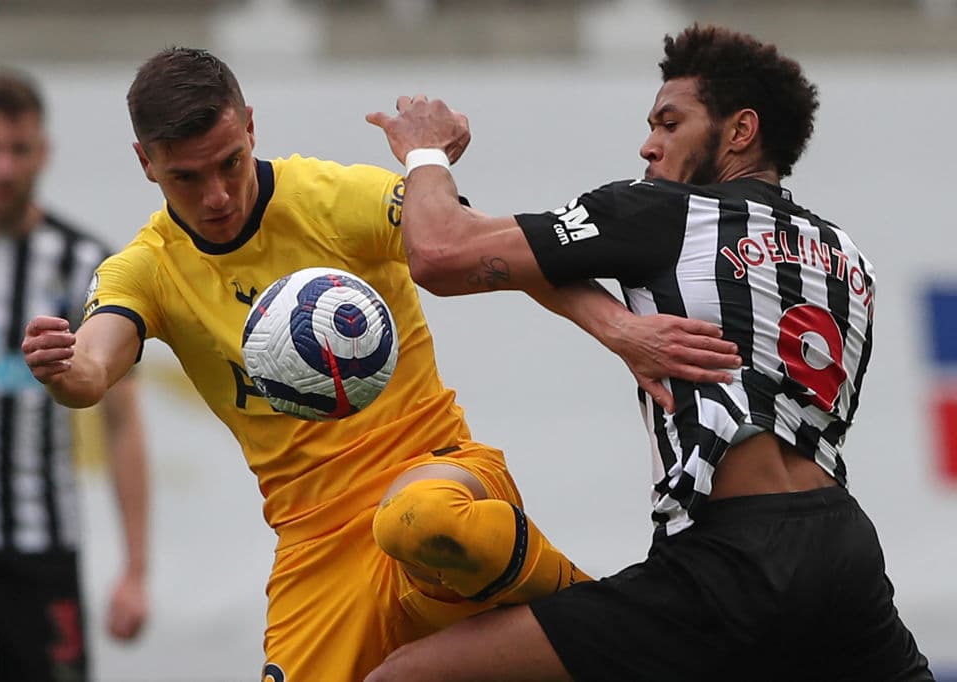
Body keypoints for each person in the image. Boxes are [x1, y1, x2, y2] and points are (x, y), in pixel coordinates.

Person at [20, 47, 741, 681]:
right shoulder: (143, 269)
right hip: (314, 542)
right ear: (145, 162)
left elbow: (500, 251)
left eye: (229, 164)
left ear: (250, 127)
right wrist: (65, 369)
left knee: (421, 519)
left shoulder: (333, 199)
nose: (216, 196)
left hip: (433, 466)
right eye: (184, 178)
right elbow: (94, 367)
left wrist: (620, 330)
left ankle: (598, 619)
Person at [364, 23, 935, 682]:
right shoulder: (844, 254)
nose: (649, 144)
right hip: (844, 552)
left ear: (740, 130)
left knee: (404, 676)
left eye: (669, 123)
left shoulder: (663, 212)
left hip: (730, 559)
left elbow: (440, 252)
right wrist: (613, 323)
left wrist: (426, 153)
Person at [0, 69, 150, 682]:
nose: (4, 168)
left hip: (42, 541)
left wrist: (135, 570)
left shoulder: (85, 264)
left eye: (18, 150)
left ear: (43, 152)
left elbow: (123, 422)